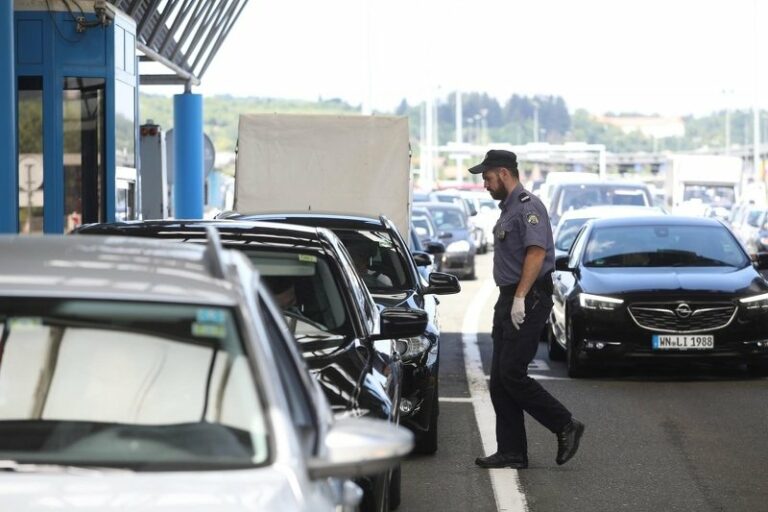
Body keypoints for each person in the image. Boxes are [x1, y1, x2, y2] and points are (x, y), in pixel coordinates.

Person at [469, 149, 584, 469]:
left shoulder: (527, 207)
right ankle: (512, 451)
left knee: (512, 374)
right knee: (500, 381)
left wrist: (520, 297)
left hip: (528, 299)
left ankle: (565, 424)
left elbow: (536, 254)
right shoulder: (508, 209)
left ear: (504, 174)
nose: (485, 185)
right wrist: (511, 298)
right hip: (510, 298)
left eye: (488, 178)